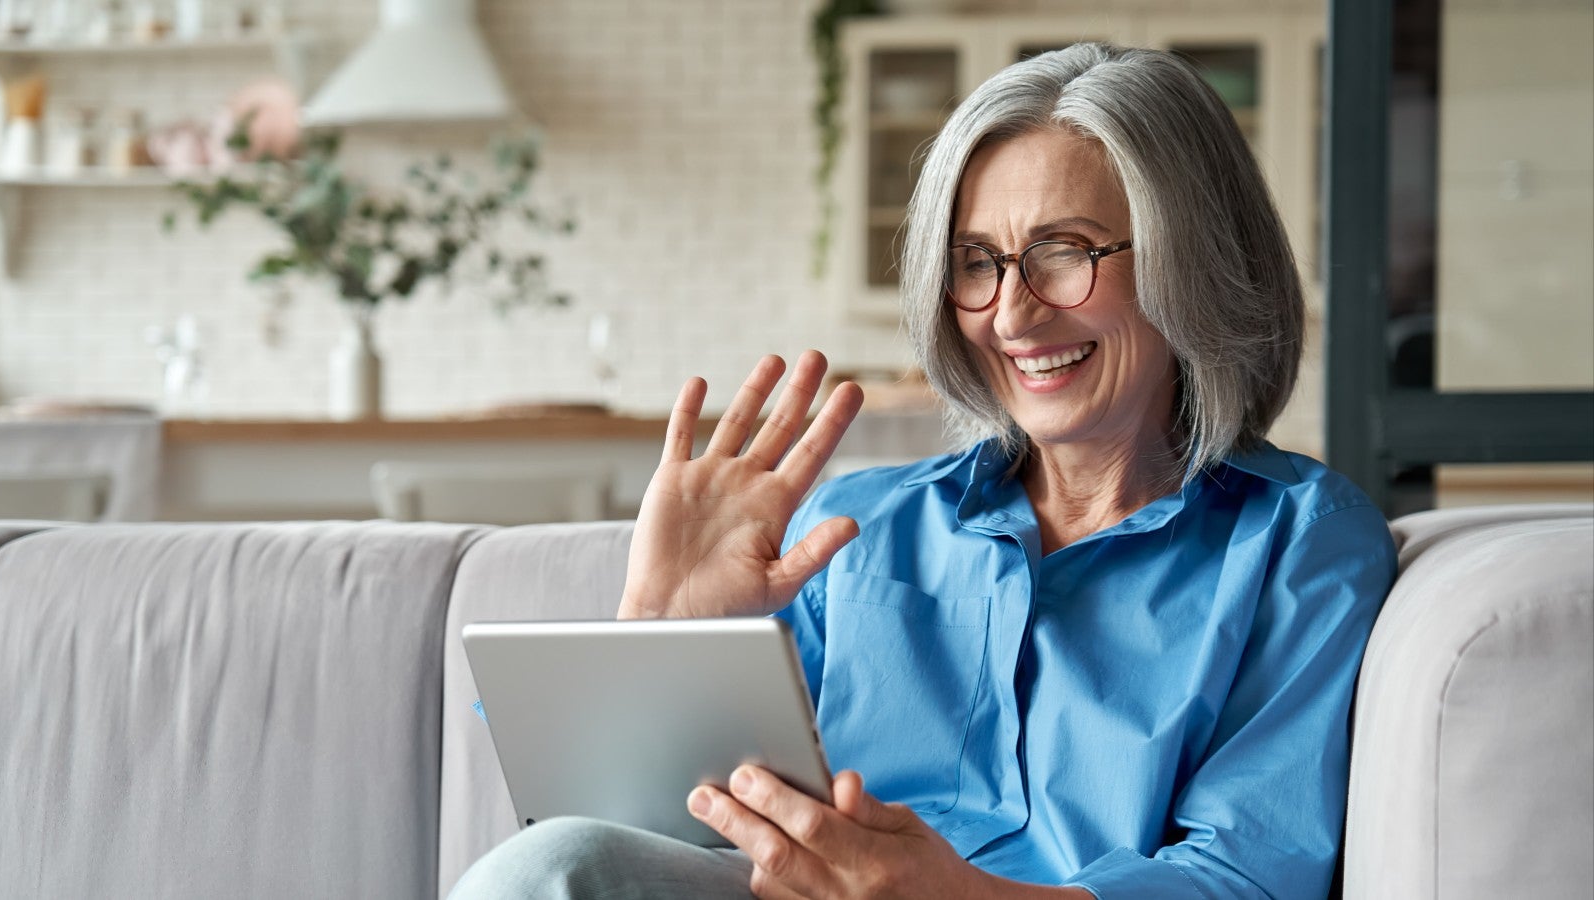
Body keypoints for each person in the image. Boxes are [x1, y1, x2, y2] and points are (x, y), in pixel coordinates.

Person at [450, 42, 1396, 899]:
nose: (1013, 316)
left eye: (1063, 254)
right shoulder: (857, 530)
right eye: (975, 263)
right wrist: (657, 624)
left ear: (1192, 257)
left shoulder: (1297, 541)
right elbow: (664, 839)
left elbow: (1249, 876)